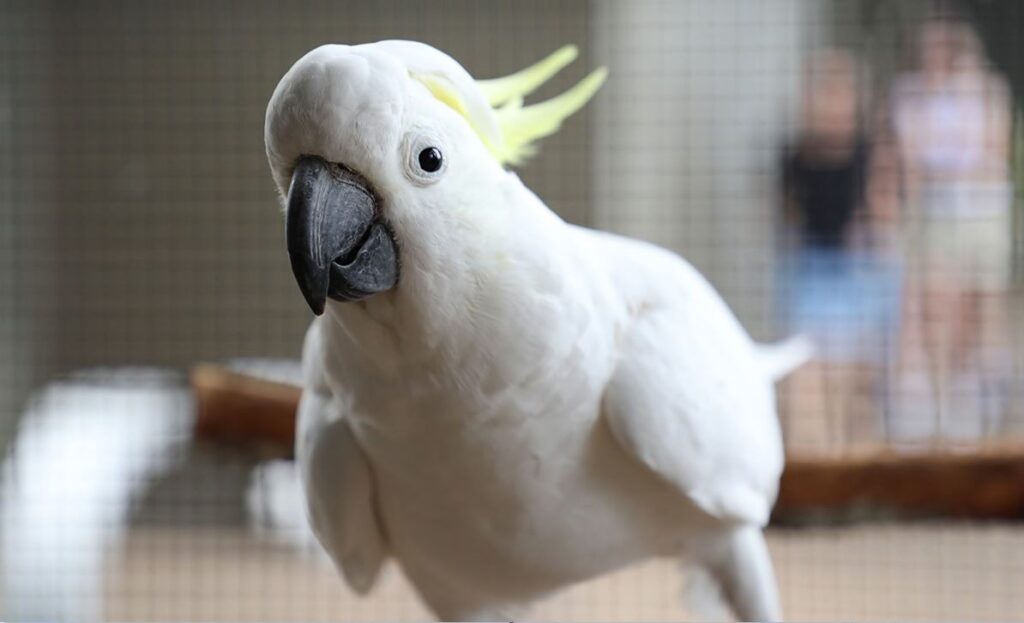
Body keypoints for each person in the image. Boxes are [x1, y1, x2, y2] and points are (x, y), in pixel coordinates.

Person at [889, 15, 1013, 441]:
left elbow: (989, 153)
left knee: (981, 301)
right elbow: (912, 159)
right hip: (934, 216)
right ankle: (937, 401)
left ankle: (978, 392)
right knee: (937, 304)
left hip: (983, 214)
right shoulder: (909, 94)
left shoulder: (987, 89)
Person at [779, 49, 902, 450]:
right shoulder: (796, 154)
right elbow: (788, 215)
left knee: (858, 382)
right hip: (814, 270)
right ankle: (816, 458)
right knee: (813, 376)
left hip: (860, 271)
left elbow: (887, 214)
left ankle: (858, 460)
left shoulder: (872, 152)